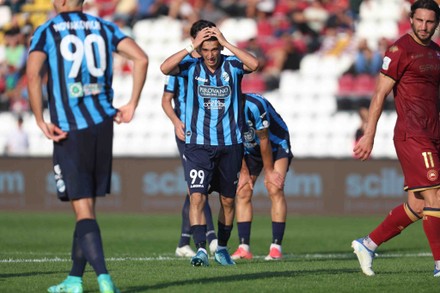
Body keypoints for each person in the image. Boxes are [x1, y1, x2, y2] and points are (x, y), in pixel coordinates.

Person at [26, 0, 148, 292]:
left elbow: (32, 75)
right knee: (86, 207)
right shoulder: (105, 27)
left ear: (62, 2)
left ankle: (105, 279)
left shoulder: (48, 29)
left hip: (70, 129)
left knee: (82, 209)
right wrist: (132, 104)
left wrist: (40, 119)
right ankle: (74, 279)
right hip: (102, 125)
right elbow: (141, 58)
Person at [160, 19, 259, 266]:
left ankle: (222, 248)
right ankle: (201, 250)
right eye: (205, 50)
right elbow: (164, 68)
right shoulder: (190, 67)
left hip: (231, 144)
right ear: (199, 50)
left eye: (215, 50)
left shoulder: (233, 66)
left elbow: (254, 64)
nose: (211, 55)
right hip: (198, 144)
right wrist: (189, 46)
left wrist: (226, 42)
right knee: (197, 196)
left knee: (227, 201)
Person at [352, 0, 440, 277]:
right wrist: (369, 134)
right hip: (412, 135)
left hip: (434, 133)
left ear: (436, 24)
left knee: (418, 204)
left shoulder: (437, 53)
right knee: (437, 195)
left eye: (430, 22)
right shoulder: (399, 49)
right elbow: (379, 94)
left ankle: (367, 244)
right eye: (420, 21)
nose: (424, 27)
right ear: (411, 19)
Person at [161, 71, 218, 258]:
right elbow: (166, 99)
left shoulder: (208, 67)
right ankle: (212, 239)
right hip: (186, 133)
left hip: (206, 132)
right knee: (197, 187)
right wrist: (176, 122)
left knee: (198, 187)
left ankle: (184, 242)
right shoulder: (178, 69)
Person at [231, 93, 292, 261]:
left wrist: (269, 171)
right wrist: (243, 172)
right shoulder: (222, 108)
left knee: (274, 188)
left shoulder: (255, 105)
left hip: (275, 144)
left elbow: (264, 139)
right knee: (242, 191)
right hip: (248, 149)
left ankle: (276, 248)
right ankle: (243, 248)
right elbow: (232, 142)